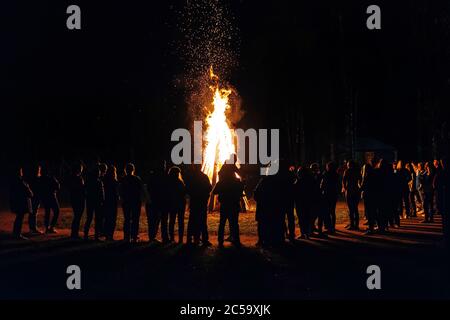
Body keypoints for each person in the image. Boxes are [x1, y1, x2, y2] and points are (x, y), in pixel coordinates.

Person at [213, 164, 244, 248]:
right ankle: (236, 239)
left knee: (222, 223)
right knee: (234, 223)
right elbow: (241, 190)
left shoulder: (222, 182)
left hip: (225, 205)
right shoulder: (237, 182)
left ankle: (220, 240)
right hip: (234, 205)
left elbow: (214, 192)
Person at [185, 164, 212, 246]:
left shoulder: (191, 178)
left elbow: (188, 189)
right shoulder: (204, 177)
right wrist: (205, 195)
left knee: (192, 221)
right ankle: (204, 239)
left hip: (194, 202)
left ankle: (190, 239)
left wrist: (192, 195)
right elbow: (209, 188)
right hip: (202, 202)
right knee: (203, 221)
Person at [120, 163, 144, 243]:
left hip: (126, 201)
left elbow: (121, 191)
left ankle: (126, 237)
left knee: (127, 219)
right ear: (133, 170)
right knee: (135, 219)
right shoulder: (137, 179)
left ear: (125, 170)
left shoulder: (123, 179)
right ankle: (134, 236)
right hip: (135, 201)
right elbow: (141, 190)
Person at [145, 161, 168, 243]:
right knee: (157, 220)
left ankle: (152, 236)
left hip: (154, 201)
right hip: (159, 201)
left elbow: (148, 188)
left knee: (153, 220)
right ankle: (158, 237)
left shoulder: (152, 175)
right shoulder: (164, 176)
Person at [10, 166, 34, 240]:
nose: (22, 172)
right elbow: (28, 192)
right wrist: (29, 191)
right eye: (21, 171)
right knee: (20, 218)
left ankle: (16, 233)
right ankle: (17, 234)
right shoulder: (20, 181)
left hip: (18, 203)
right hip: (21, 203)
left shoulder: (15, 181)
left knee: (19, 218)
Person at [166, 166, 187, 244]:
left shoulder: (169, 182)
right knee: (180, 221)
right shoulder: (179, 182)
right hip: (180, 203)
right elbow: (184, 192)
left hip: (172, 203)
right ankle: (180, 238)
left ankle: (172, 237)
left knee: (172, 220)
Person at [84, 165, 105, 241]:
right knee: (97, 219)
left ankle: (85, 234)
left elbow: (85, 191)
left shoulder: (88, 181)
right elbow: (101, 193)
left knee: (89, 218)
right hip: (97, 202)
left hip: (90, 201)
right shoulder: (99, 182)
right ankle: (96, 236)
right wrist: (103, 201)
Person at [320, 161, 341, 234]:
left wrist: (321, 189)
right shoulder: (336, 174)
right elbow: (338, 184)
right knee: (332, 211)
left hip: (327, 194)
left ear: (328, 167)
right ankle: (333, 227)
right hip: (334, 194)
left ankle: (329, 227)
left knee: (327, 211)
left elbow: (323, 184)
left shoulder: (326, 174)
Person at [295, 166, 315, 239]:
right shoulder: (311, 180)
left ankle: (303, 233)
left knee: (302, 218)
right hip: (308, 202)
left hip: (301, 202)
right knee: (307, 217)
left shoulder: (299, 181)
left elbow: (295, 192)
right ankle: (307, 233)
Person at [40, 166, 61, 234]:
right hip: (51, 196)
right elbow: (57, 186)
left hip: (45, 197)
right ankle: (51, 227)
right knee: (56, 211)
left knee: (47, 212)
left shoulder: (42, 179)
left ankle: (47, 228)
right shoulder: (50, 178)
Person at [342, 160, 362, 230]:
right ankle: (356, 225)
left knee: (351, 209)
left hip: (350, 190)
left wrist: (344, 187)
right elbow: (360, 180)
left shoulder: (347, 171)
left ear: (349, 165)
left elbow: (344, 180)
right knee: (355, 208)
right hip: (356, 190)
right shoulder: (358, 171)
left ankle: (352, 225)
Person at [69, 163, 86, 239]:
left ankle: (74, 232)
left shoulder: (73, 177)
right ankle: (74, 233)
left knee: (77, 216)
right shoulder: (78, 178)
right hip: (78, 199)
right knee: (77, 216)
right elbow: (80, 189)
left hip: (74, 198)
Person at [103, 165, 119, 241]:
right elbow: (116, 192)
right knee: (112, 219)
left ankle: (106, 235)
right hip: (112, 201)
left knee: (107, 218)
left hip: (106, 201)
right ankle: (110, 235)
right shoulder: (114, 181)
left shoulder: (104, 179)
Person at [361, 163, 377, 234]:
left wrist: (359, 184)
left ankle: (371, 229)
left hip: (368, 195)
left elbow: (362, 187)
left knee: (370, 211)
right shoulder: (374, 175)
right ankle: (372, 226)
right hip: (373, 195)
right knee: (372, 211)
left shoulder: (366, 176)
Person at [27, 164, 43, 234]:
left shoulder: (31, 178)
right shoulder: (37, 179)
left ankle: (32, 228)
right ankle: (33, 228)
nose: (39, 170)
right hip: (35, 198)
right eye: (39, 169)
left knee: (32, 213)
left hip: (32, 198)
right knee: (34, 213)